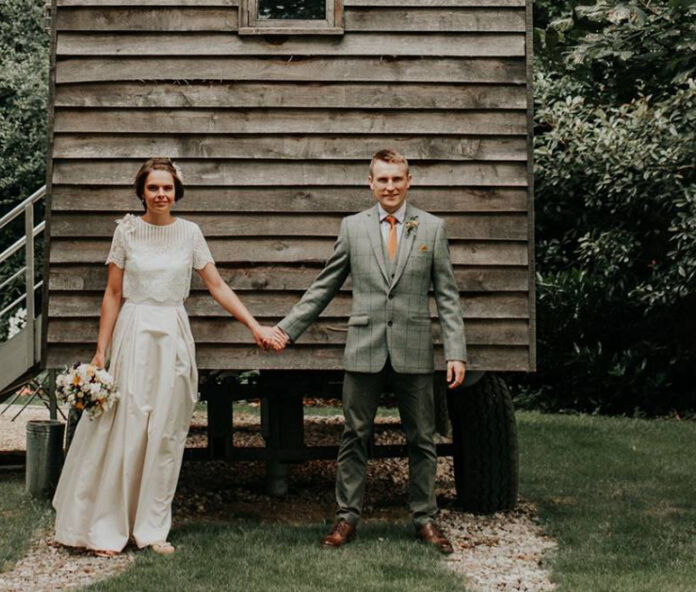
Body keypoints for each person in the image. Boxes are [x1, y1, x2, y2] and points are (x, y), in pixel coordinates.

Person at [52, 156, 282, 555]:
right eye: (154, 187)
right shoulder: (126, 232)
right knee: (125, 426)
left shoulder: (191, 233)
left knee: (166, 432)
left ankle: (152, 529)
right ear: (141, 191)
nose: (161, 194)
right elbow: (112, 294)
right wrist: (100, 352)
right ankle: (107, 526)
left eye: (168, 188)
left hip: (173, 335)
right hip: (134, 332)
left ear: (177, 192)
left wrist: (255, 326)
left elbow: (217, 286)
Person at [269, 148, 468, 553]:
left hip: (413, 349)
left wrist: (456, 351)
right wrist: (286, 331)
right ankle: (345, 519)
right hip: (364, 348)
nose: (390, 186)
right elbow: (324, 286)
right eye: (383, 179)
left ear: (408, 181)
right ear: (370, 182)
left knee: (422, 439)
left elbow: (447, 296)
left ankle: (425, 518)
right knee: (354, 435)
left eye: (397, 179)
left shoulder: (431, 228)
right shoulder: (352, 228)